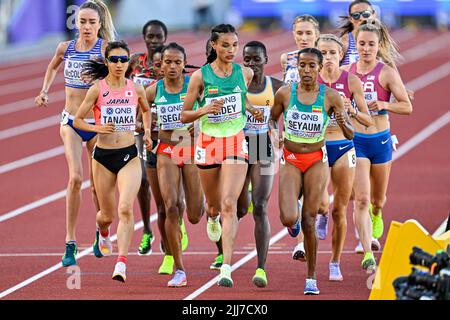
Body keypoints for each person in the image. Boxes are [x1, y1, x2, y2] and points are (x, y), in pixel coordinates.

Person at [34, 0, 115, 267]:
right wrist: (45, 90)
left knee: (97, 186)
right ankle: (70, 242)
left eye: (92, 22)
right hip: (70, 122)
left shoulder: (105, 50)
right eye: (83, 21)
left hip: (95, 125)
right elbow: (52, 66)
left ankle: (101, 230)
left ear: (100, 24)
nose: (87, 26)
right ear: (76, 23)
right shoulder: (65, 48)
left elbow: (121, 75)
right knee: (74, 178)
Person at [181, 24, 263, 287]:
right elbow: (184, 115)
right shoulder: (200, 77)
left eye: (234, 45)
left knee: (230, 204)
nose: (231, 50)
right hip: (208, 143)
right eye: (225, 45)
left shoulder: (245, 73)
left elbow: (242, 99)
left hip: (235, 142)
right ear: (214, 45)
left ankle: (226, 266)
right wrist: (204, 110)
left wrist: (252, 110)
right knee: (214, 206)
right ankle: (212, 216)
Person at [270, 48, 354, 295]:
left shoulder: (331, 96)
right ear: (297, 67)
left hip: (317, 159)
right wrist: (276, 134)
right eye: (302, 66)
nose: (306, 71)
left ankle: (311, 277)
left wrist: (343, 118)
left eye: (311, 66)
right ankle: (292, 223)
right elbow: (272, 119)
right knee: (288, 217)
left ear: (320, 68)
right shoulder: (285, 93)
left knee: (309, 219)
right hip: (291, 157)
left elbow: (350, 134)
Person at [74, 40, 152, 282]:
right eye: (114, 59)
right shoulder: (97, 89)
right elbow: (77, 121)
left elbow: (146, 110)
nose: (119, 64)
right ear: (107, 62)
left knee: (126, 208)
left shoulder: (136, 89)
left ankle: (121, 263)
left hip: (129, 153)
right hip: (103, 157)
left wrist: (147, 132)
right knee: (106, 215)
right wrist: (98, 127)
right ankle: (103, 230)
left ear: (128, 63)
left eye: (123, 60)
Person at [343, 20, 413, 270]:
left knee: (377, 199)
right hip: (356, 142)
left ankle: (377, 213)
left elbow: (407, 106)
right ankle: (367, 253)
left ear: (378, 45)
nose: (365, 48)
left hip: (381, 140)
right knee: (360, 198)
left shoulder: (386, 72)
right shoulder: (348, 72)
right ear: (356, 44)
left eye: (371, 44)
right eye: (361, 43)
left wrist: (385, 105)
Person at [146, 43, 205, 287]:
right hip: (166, 151)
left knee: (192, 215)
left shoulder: (195, 84)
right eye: (167, 62)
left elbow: (214, 107)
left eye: (177, 62)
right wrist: (146, 128)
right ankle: (179, 269)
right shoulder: (153, 91)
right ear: (160, 66)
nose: (171, 66)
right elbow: (139, 110)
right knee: (170, 207)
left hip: (190, 148)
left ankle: (203, 207)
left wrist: (200, 120)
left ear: (184, 63)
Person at [316, 34, 373, 280]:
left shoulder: (351, 81)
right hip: (316, 147)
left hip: (343, 146)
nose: (328, 58)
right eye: (323, 53)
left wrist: (353, 111)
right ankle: (321, 214)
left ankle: (335, 262)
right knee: (320, 203)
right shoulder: (309, 81)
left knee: (340, 209)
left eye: (332, 53)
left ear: (341, 55)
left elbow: (368, 119)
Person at [237, 41, 284, 288]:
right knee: (237, 208)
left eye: (256, 59)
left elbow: (291, 108)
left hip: (261, 145)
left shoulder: (276, 87)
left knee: (260, 206)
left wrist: (279, 132)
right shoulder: (236, 85)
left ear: (266, 59)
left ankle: (261, 267)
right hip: (237, 145)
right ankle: (222, 253)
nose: (252, 64)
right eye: (247, 60)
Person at [280, 14, 320, 262]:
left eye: (308, 33)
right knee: (294, 193)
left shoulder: (323, 58)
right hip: (292, 134)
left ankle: (304, 241)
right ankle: (298, 234)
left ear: (316, 34)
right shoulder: (287, 59)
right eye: (299, 33)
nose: (303, 38)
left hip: (317, 135)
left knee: (313, 195)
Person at [339, 0, 377, 66]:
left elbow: (393, 72)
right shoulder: (345, 42)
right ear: (351, 19)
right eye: (356, 15)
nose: (361, 18)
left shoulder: (380, 40)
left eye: (366, 14)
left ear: (373, 15)